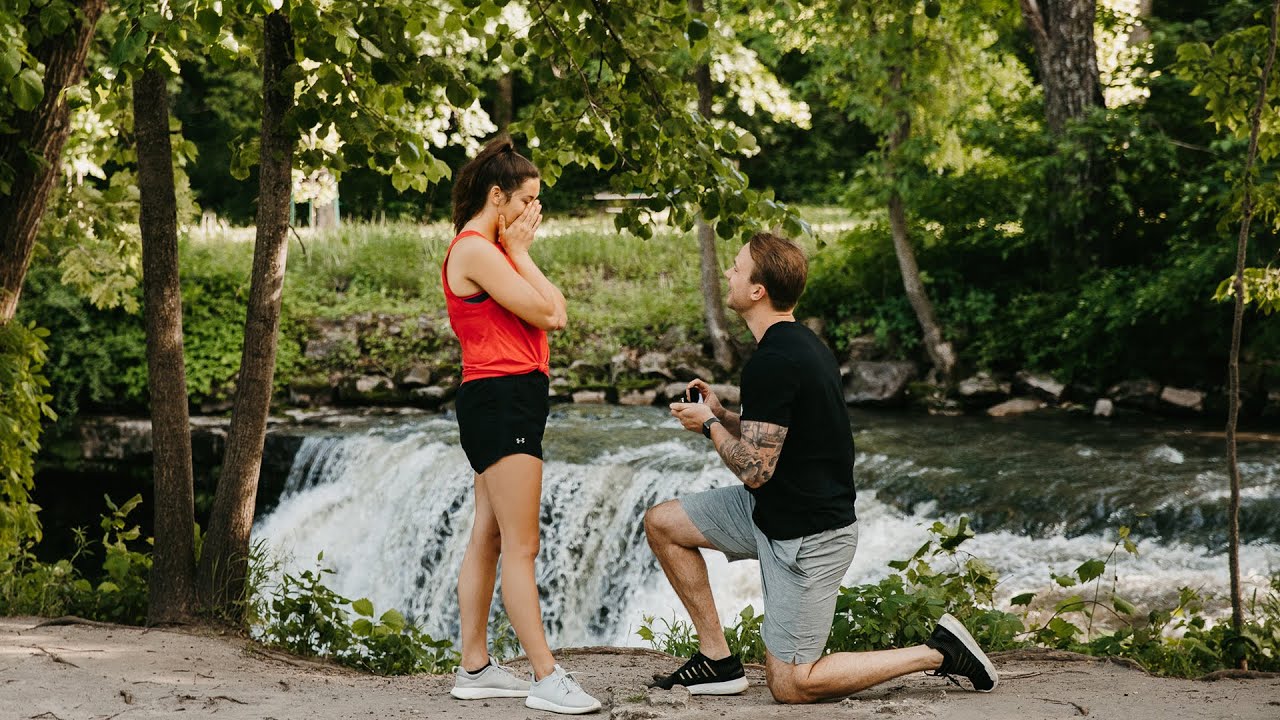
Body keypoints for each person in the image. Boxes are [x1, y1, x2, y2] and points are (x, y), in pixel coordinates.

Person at [645, 232, 997, 703]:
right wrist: (724, 415)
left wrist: (708, 426)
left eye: (736, 267)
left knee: (792, 684)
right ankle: (717, 661)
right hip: (770, 514)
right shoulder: (799, 344)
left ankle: (939, 652)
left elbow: (755, 470)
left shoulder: (773, 361)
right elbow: (776, 438)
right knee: (663, 523)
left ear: (757, 290)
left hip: (810, 538)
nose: (728, 273)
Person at [442, 135, 601, 715]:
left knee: (488, 534)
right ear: (497, 196)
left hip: (505, 399)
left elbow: (557, 308)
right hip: (501, 399)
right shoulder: (478, 251)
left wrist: (518, 251)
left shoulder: (494, 249)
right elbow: (549, 313)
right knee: (522, 545)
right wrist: (521, 252)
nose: (535, 211)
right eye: (527, 199)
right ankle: (546, 676)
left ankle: (475, 667)